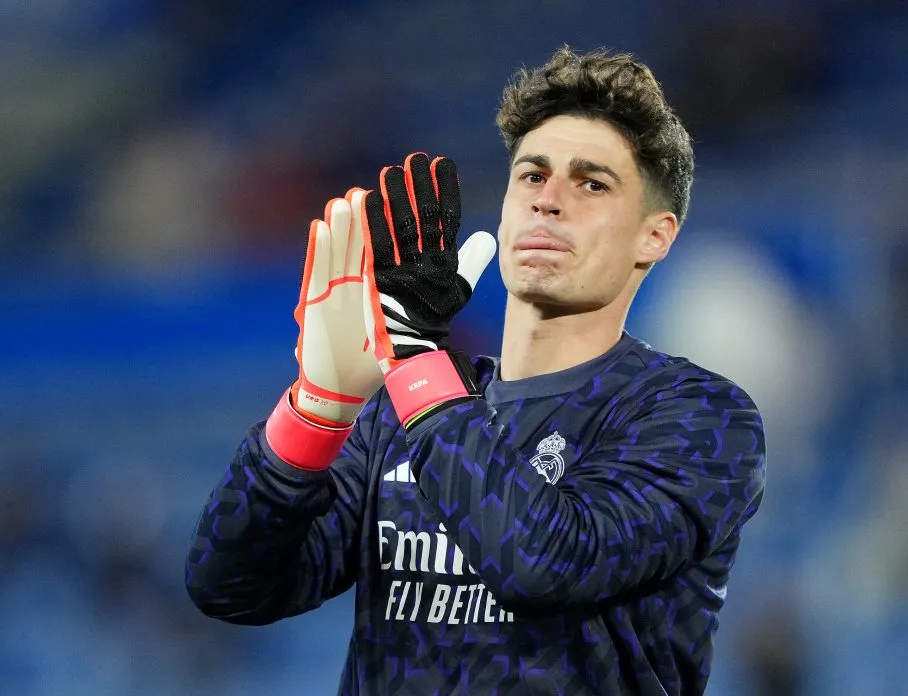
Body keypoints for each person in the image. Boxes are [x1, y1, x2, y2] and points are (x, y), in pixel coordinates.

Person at [186, 46, 767, 695]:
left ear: (653, 236)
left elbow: (543, 563)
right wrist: (315, 411)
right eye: (532, 176)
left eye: (591, 183)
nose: (549, 201)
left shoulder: (699, 416)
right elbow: (229, 586)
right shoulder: (400, 412)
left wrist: (413, 359)